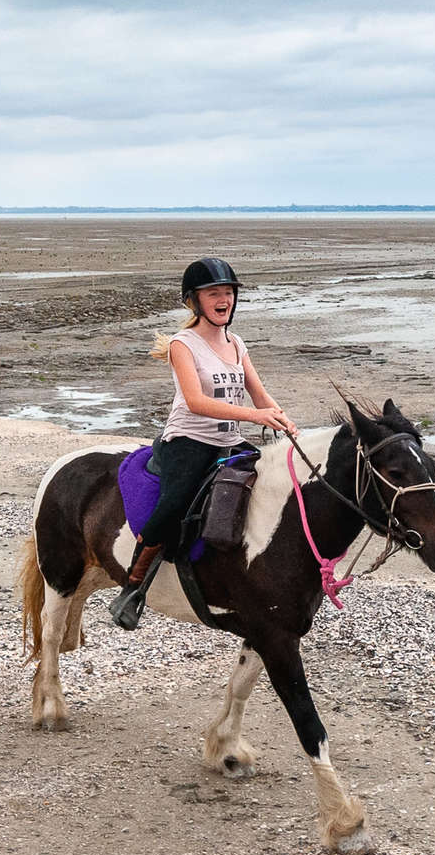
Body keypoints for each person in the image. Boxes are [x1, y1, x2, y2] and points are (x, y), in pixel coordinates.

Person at [110, 257, 296, 629]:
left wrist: (284, 421)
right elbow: (196, 402)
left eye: (228, 292)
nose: (223, 298)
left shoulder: (236, 342)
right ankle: (133, 587)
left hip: (229, 440)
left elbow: (258, 393)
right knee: (174, 504)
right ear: (194, 301)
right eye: (214, 293)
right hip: (190, 439)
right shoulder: (184, 344)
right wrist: (255, 417)